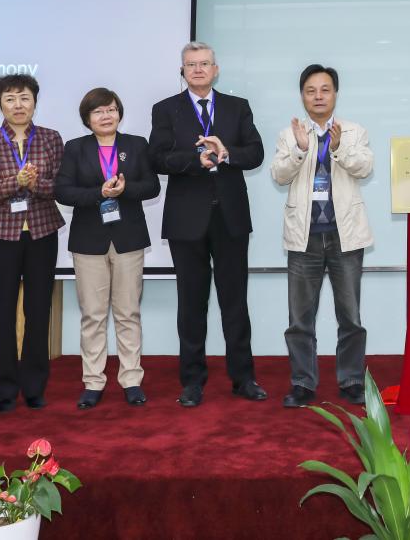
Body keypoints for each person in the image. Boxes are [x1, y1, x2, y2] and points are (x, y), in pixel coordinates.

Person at [149, 41, 266, 407]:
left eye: (204, 64)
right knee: (191, 304)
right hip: (186, 220)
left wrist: (226, 153)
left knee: (235, 302)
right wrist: (194, 159)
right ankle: (192, 382)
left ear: (216, 70)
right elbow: (157, 158)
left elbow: (256, 152)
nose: (198, 69)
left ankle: (243, 378)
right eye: (191, 65)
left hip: (230, 218)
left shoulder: (237, 107)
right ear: (182, 71)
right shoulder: (166, 109)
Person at [270, 64, 374, 408]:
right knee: (300, 319)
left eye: (325, 89)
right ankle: (302, 383)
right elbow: (279, 175)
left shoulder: (354, 131)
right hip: (305, 237)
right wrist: (300, 149)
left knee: (351, 317)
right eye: (311, 90)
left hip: (345, 236)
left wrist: (339, 147)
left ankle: (352, 380)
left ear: (335, 94)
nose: (318, 96)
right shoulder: (290, 134)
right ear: (302, 96)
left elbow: (365, 168)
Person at [55, 88, 160, 409]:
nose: (106, 116)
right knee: (93, 315)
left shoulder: (136, 145)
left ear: (119, 113)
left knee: (128, 312)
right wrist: (98, 193)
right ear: (87, 118)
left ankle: (131, 379)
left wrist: (125, 190)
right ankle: (93, 381)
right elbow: (63, 191)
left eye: (111, 109)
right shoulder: (75, 148)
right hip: (88, 241)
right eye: (98, 111)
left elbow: (152, 186)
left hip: (128, 238)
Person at [0, 73, 64, 412]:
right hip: (1, 236)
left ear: (35, 102)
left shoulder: (51, 138)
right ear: (1, 104)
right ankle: (6, 390)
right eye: (10, 99)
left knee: (38, 312)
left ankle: (35, 387)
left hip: (41, 234)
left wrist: (35, 184)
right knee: (1, 314)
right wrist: (16, 181)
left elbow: (60, 186)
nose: (18, 105)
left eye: (24, 98)